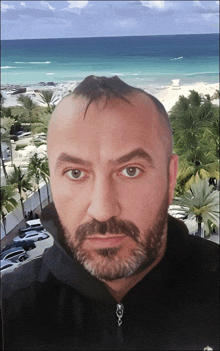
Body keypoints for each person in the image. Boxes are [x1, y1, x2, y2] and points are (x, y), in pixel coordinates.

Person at [1, 76, 219, 351]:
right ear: (52, 182)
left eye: (131, 171)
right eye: (76, 173)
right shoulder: (10, 310)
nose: (103, 211)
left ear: (170, 177)